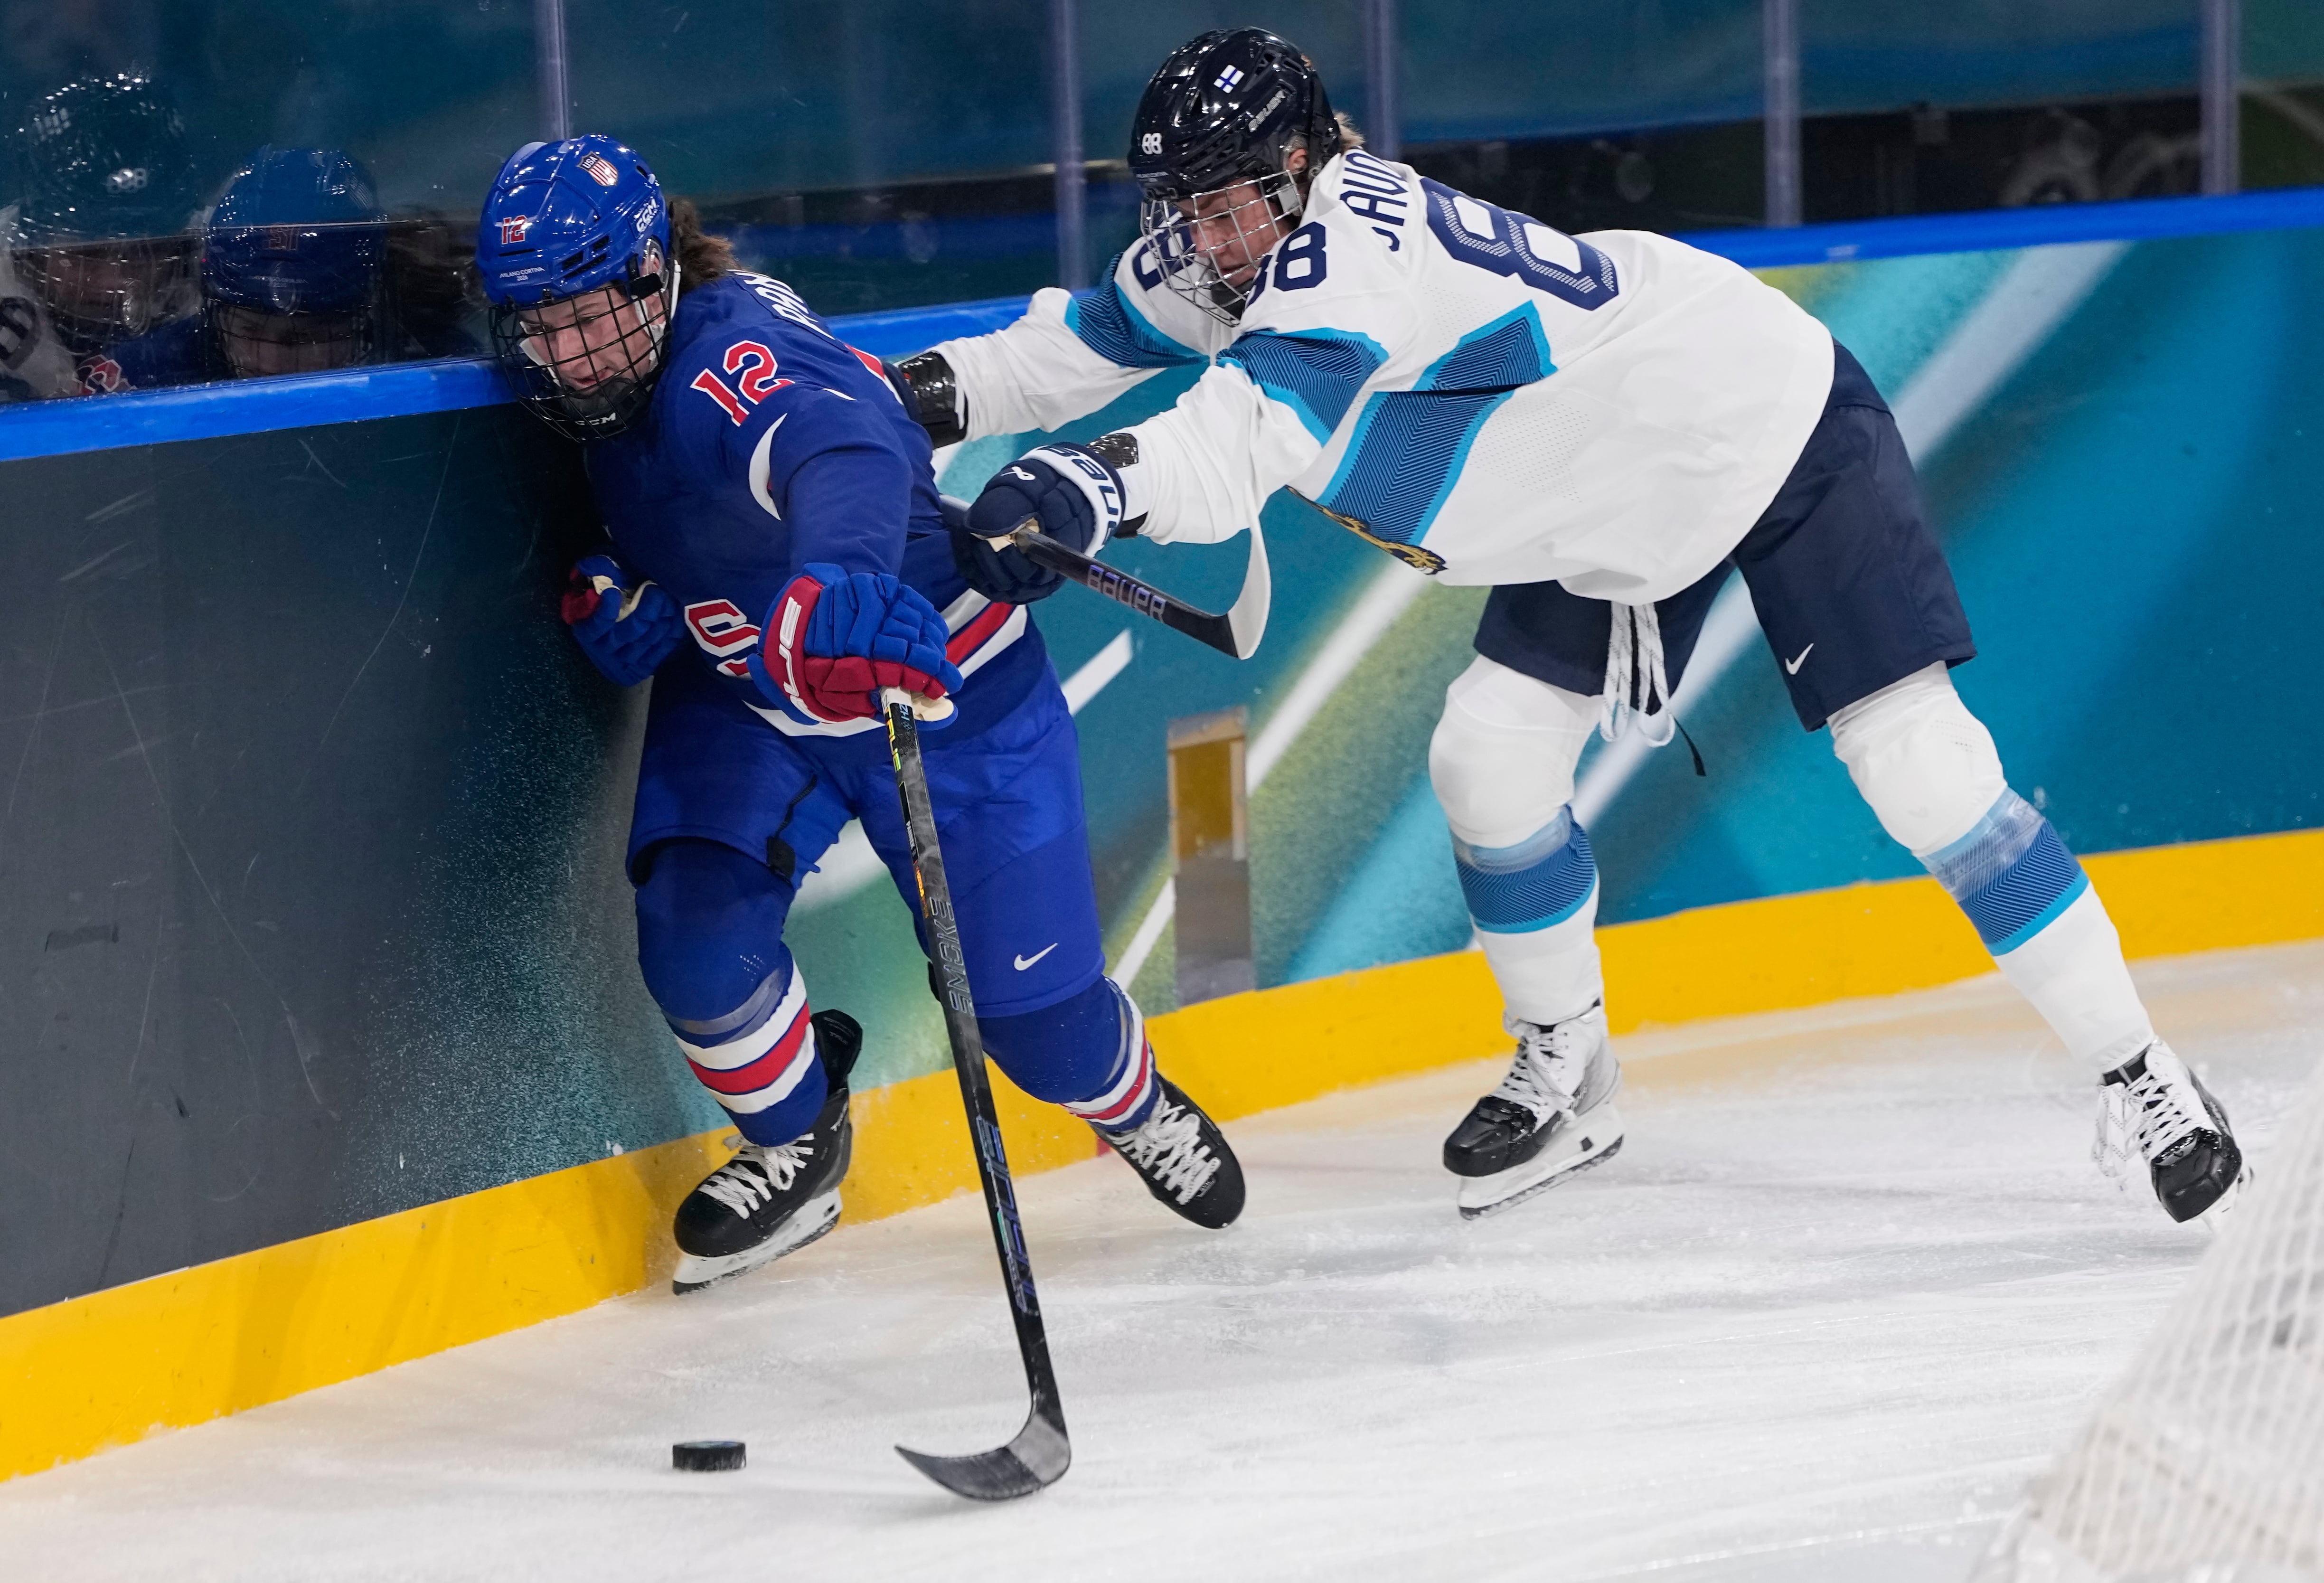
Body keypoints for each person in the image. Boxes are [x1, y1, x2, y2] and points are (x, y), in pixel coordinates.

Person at [904, 29, 2247, 1224]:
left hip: (1754, 421)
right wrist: (887, 395)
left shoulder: (1350, 253)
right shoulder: (1231, 250)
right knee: (1486, 759)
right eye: (1184, 208)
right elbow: (1062, 353)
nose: (1203, 239)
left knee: (1919, 767)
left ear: (1300, 165)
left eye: (1225, 202)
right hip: (1609, 497)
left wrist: (1090, 487)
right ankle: (1570, 1064)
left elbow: (1239, 439)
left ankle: (2145, 1074)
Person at [474, 134, 1245, 1291]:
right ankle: (800, 1143)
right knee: (695, 948)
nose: (571, 355)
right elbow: (680, 517)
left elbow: (852, 442)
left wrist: (838, 575)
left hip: (936, 684)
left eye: (589, 316)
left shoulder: (728, 353)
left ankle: (1130, 1101)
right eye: (542, 326)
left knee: (1037, 1031)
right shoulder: (599, 383)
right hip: (752, 695)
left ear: (653, 274)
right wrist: (626, 587)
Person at [107, 145, 389, 387]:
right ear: (215, 318)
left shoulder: (412, 367)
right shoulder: (140, 377)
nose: (269, 364)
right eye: (249, 331)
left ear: (363, 317)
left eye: (306, 338)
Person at [6, 73, 199, 397]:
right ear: (32, 237)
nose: (114, 281)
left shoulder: (227, 260)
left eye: (143, 249)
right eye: (88, 252)